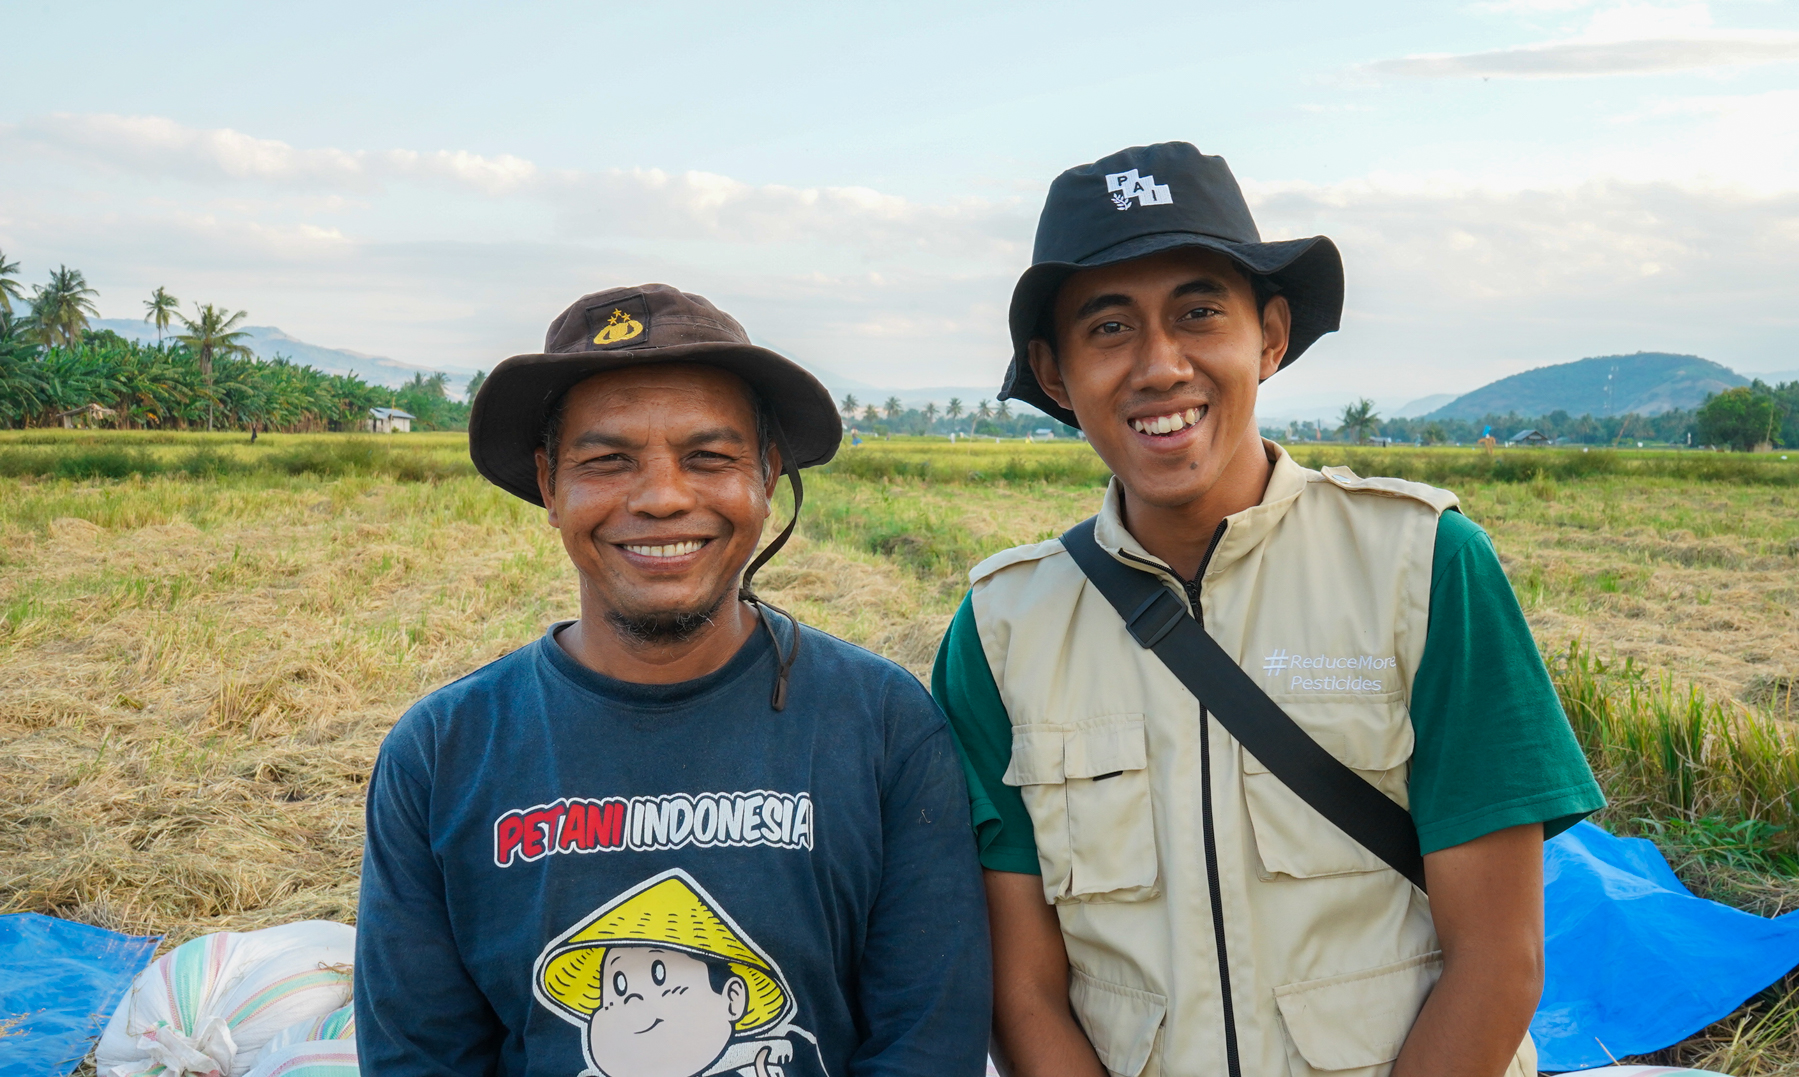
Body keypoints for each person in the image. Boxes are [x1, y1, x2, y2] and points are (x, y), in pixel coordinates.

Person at [934, 143, 1605, 1077]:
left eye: (1199, 312)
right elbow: (1024, 989)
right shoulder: (1002, 631)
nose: (1160, 366)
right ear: (1055, 373)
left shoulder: (1423, 565)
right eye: (1109, 327)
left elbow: (1500, 959)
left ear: (1271, 335)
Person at [355, 285, 991, 1077]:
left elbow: (927, 1044)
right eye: (608, 460)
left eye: (708, 457)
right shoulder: (442, 753)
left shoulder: (884, 725)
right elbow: (421, 1058)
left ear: (765, 473)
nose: (661, 497)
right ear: (550, 484)